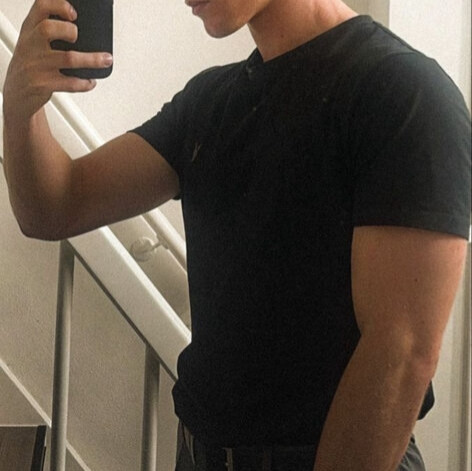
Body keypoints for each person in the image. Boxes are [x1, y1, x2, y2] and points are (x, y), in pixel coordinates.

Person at [2, 0, 470, 470]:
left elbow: (400, 352)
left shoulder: (404, 91)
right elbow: (55, 206)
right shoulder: (209, 102)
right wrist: (19, 106)